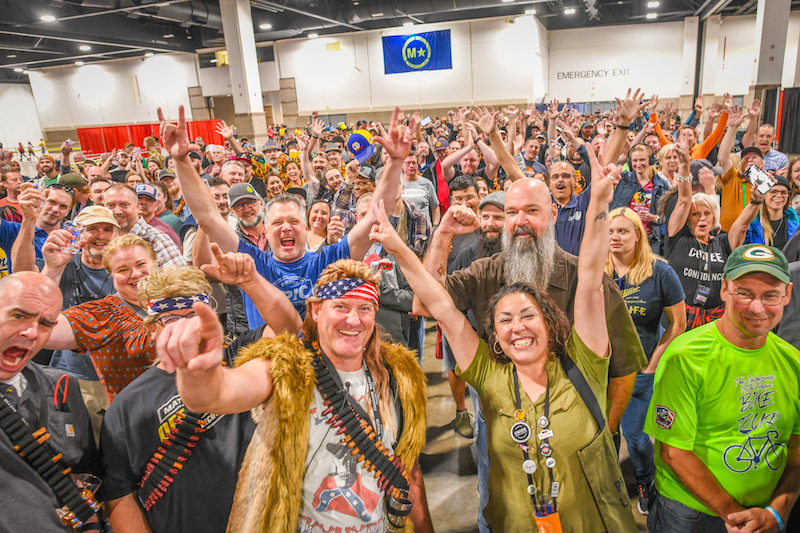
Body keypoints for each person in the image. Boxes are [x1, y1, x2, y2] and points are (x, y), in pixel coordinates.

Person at [371, 143, 637, 531]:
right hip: (506, 465)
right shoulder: (491, 372)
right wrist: (402, 245)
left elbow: (594, 283)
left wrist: (598, 433)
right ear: (492, 332)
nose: (518, 328)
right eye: (504, 319)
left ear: (549, 322)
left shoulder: (583, 348)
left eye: (532, 210)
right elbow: (438, 306)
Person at [424, 104, 647, 444]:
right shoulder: (486, 272)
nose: (520, 220)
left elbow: (623, 369)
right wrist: (442, 235)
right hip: (500, 433)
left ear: (553, 213)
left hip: (578, 438)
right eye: (511, 212)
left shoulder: (587, 284)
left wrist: (604, 431)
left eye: (531, 210)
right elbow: (427, 301)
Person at [157, 259, 433, 533]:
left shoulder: (399, 373)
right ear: (315, 310)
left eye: (364, 308)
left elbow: (408, 470)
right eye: (340, 306)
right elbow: (216, 395)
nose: (353, 319)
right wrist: (199, 372)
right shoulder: (287, 365)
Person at [100, 249, 300, 533]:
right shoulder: (128, 404)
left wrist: (251, 281)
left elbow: (289, 329)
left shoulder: (240, 358)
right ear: (151, 330)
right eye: (171, 319)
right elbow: (119, 496)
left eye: (195, 316)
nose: (185, 328)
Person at [163, 105, 416, 326]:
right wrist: (181, 161)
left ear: (306, 228)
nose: (285, 227)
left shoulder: (327, 260)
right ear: (265, 229)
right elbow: (208, 218)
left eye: (294, 221)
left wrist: (394, 163)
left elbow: (374, 216)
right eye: (277, 222)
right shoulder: (252, 263)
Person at [645, 244, 800, 533]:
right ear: (725, 288)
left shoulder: (793, 362)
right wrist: (735, 516)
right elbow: (674, 453)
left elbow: (797, 446)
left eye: (770, 296)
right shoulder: (686, 357)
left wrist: (778, 510)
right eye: (744, 293)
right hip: (693, 514)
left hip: (765, 511)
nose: (757, 307)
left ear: (787, 295)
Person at [0, 272, 101, 532]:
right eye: (19, 315)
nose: (32, 332)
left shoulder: (62, 387)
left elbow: (85, 474)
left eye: (46, 323)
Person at [606, 207, 686, 514]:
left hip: (639, 373)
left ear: (638, 235)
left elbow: (678, 323)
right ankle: (609, 485)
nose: (615, 237)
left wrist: (654, 363)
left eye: (623, 231)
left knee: (638, 442)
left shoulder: (660, 272)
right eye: (611, 231)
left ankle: (645, 483)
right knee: (605, 436)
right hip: (602, 373)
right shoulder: (595, 270)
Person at [42, 235, 158, 402]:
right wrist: (52, 269)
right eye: (123, 270)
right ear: (111, 275)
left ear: (155, 264)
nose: (136, 274)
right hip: (135, 417)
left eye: (141, 264)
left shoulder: (176, 300)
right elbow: (42, 330)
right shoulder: (104, 314)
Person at [666, 142, 731, 330]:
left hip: (710, 313)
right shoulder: (677, 204)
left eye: (707, 212)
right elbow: (684, 199)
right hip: (682, 311)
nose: (702, 217)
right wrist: (684, 165)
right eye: (696, 214)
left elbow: (717, 227)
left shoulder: (716, 240)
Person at [102, 183, 186, 268]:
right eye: (110, 205)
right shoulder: (100, 238)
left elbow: (179, 279)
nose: (117, 211)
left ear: (137, 206)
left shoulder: (156, 239)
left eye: (124, 205)